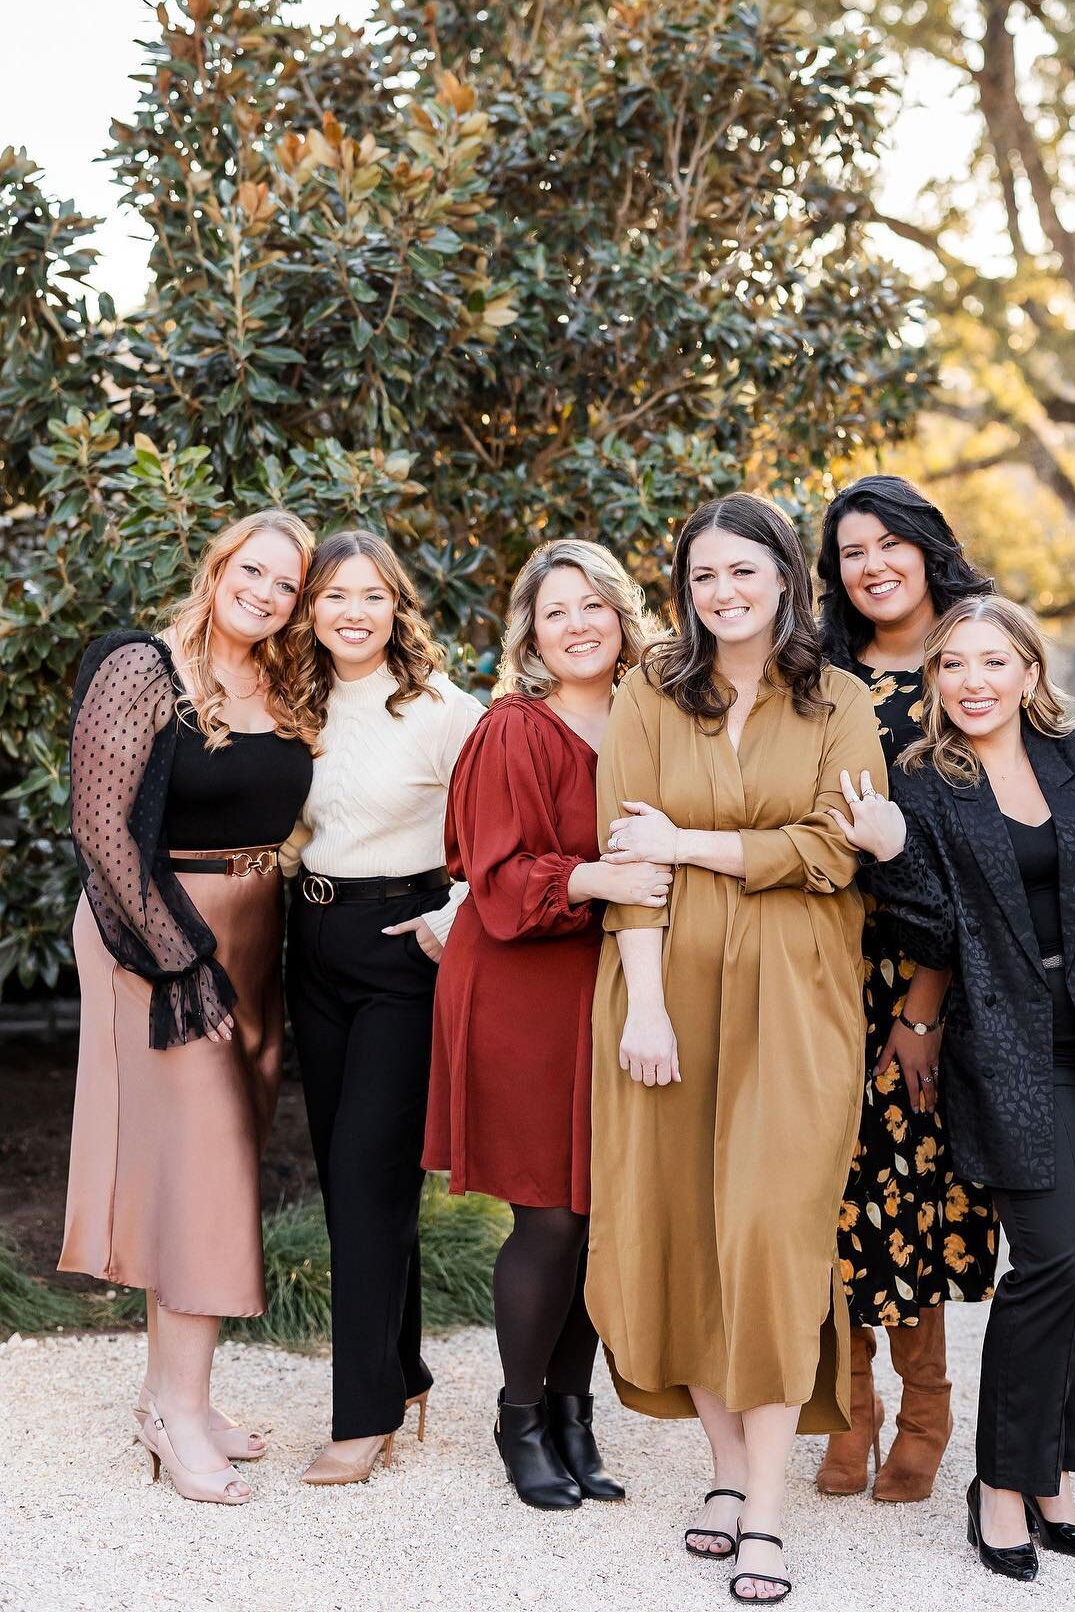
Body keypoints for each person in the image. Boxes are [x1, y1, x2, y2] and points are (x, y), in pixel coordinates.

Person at [862, 595, 1075, 1582]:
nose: (973, 682)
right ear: (935, 683)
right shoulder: (922, 784)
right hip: (1011, 1049)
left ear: (1027, 671)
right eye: (952, 666)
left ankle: (1054, 1469)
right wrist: (889, 849)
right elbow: (929, 936)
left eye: (992, 662)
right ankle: (1002, 1485)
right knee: (1054, 1260)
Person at [588, 492, 888, 1604]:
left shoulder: (841, 701)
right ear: (685, 590)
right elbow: (629, 864)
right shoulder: (646, 696)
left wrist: (695, 840)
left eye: (743, 572)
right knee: (681, 1231)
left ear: (783, 578)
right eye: (703, 577)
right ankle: (723, 1475)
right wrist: (648, 1008)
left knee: (769, 1233)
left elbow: (834, 849)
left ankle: (767, 1507)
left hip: (801, 997)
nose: (723, 593)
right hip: (666, 995)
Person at [61, 509, 315, 1506]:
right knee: (204, 1169)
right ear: (218, 568)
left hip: (257, 932)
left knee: (208, 1169)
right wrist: (180, 961)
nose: (264, 592)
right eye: (252, 571)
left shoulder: (284, 684)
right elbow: (100, 825)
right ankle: (174, 1417)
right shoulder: (145, 667)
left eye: (285, 585)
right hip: (155, 933)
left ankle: (177, 1397)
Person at [424, 539, 671, 1510]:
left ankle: (575, 1417)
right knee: (554, 1213)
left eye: (594, 606)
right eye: (555, 609)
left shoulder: (650, 721)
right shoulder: (512, 729)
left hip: (619, 985)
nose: (577, 624)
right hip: (523, 989)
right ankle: (519, 1416)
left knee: (605, 1212)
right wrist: (593, 877)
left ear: (621, 618)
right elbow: (492, 876)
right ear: (529, 630)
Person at [811, 474, 998, 1501]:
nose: (874, 564)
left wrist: (924, 1005)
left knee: (910, 1190)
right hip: (824, 964)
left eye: (890, 543)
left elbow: (976, 856)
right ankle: (851, 1407)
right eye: (851, 551)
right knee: (831, 1187)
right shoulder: (823, 674)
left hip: (930, 972)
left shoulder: (970, 665)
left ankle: (926, 1410)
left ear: (926, 546)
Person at [284, 529, 482, 1486]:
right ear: (310, 608)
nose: (352, 613)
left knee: (367, 1171)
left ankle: (361, 1418)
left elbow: (508, 823)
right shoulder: (295, 701)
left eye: (371, 596)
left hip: (402, 949)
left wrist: (456, 910)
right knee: (348, 1171)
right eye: (333, 596)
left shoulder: (446, 710)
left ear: (398, 606)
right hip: (310, 942)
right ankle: (400, 1370)